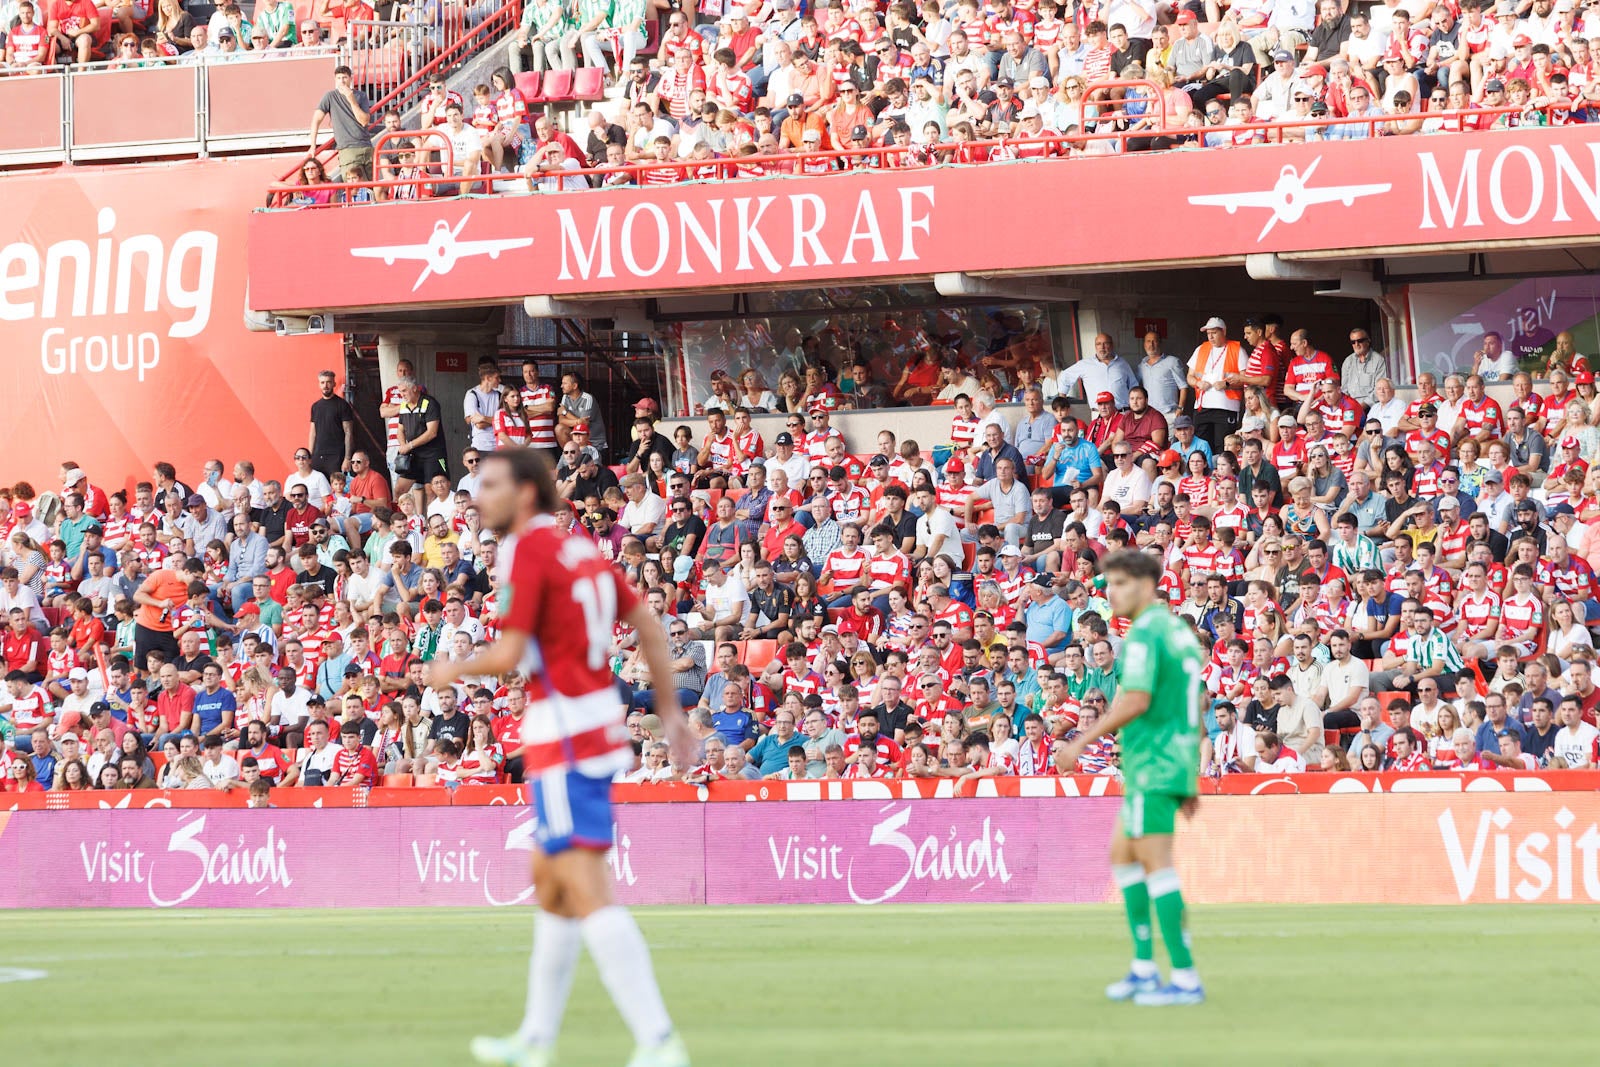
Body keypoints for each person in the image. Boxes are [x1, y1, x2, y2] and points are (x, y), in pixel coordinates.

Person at [426, 448, 692, 1067]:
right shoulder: (581, 549)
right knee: (551, 888)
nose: (475, 495)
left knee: (585, 885)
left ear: (524, 492)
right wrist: (671, 714)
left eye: (488, 484)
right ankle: (536, 1039)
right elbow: (646, 623)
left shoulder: (527, 550)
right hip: (586, 726)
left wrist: (451, 667)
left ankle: (659, 1040)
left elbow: (511, 651)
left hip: (567, 733)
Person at [1058, 549, 1204, 1006]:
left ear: (1145, 584)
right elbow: (1194, 702)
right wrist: (1191, 770)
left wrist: (1081, 742)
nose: (1111, 594)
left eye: (1119, 584)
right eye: (1108, 585)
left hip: (1154, 762)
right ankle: (1144, 967)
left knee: (1156, 866)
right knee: (1122, 855)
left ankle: (1183, 977)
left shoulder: (1143, 634)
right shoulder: (1176, 631)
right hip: (1168, 761)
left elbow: (1136, 700)